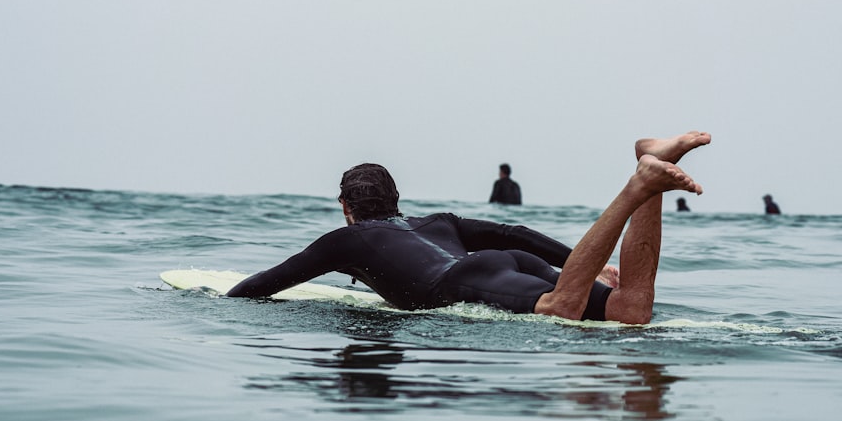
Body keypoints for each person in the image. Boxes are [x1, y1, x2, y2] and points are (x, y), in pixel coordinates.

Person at [228, 130, 710, 324]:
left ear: (344, 205)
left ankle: (635, 188)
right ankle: (653, 164)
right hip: (506, 265)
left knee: (562, 309)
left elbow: (264, 286)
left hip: (461, 282)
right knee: (631, 311)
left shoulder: (344, 240)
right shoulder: (439, 221)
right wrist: (583, 263)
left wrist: (217, 300)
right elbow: (514, 235)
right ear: (396, 200)